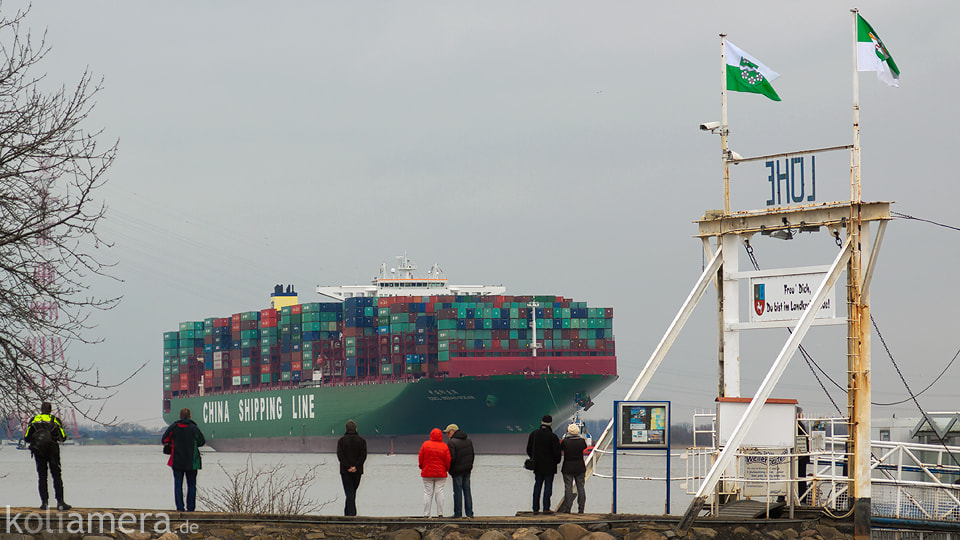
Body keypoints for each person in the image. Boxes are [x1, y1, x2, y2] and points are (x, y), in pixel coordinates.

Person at [24, 402, 71, 511]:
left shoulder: (34, 420)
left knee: (42, 476)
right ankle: (60, 502)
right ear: (50, 410)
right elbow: (63, 437)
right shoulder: (55, 420)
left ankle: (44, 503)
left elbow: (27, 437)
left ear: (41, 409)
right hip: (52, 450)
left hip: (39, 451)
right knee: (57, 475)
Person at [161, 408, 205, 512]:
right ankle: (191, 508)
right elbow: (201, 441)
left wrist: (173, 444)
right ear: (190, 416)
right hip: (192, 462)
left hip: (177, 460)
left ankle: (180, 508)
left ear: (180, 416)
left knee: (178, 485)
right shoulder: (194, 428)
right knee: (192, 485)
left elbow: (164, 440)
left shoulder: (174, 427)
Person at [526, 414, 562, 514]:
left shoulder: (534, 434)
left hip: (537, 465)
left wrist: (533, 458)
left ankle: (535, 508)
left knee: (537, 486)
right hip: (550, 466)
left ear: (541, 422)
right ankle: (546, 508)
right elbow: (557, 453)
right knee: (548, 487)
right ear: (550, 423)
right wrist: (556, 461)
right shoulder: (553, 437)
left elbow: (528, 449)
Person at [337, 419, 367, 516]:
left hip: (345, 471)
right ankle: (350, 515)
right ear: (356, 428)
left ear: (346, 429)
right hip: (357, 471)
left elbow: (340, 456)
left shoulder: (341, 441)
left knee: (349, 493)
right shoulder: (362, 441)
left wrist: (348, 466)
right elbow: (363, 456)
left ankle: (350, 515)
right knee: (352, 492)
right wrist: (356, 467)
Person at [418, 427, 451, 517]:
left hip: (427, 473)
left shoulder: (425, 444)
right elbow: (448, 460)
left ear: (431, 435)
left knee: (428, 493)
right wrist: (446, 469)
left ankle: (426, 514)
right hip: (441, 473)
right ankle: (440, 513)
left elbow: (420, 458)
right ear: (441, 436)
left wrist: (422, 467)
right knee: (439, 492)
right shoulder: (444, 446)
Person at [445, 423, 475, 518]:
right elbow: (472, 455)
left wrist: (450, 469)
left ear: (453, 431)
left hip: (457, 471)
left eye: (448, 432)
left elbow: (452, 458)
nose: (447, 434)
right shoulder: (468, 439)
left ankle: (458, 513)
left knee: (457, 492)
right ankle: (469, 514)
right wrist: (469, 467)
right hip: (467, 470)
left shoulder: (452, 442)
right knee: (467, 491)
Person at [558, 423, 588, 513]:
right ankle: (581, 509)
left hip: (568, 467)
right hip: (580, 467)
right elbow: (585, 447)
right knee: (581, 488)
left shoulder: (565, 442)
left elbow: (560, 448)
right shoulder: (581, 441)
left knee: (568, 488)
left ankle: (568, 509)